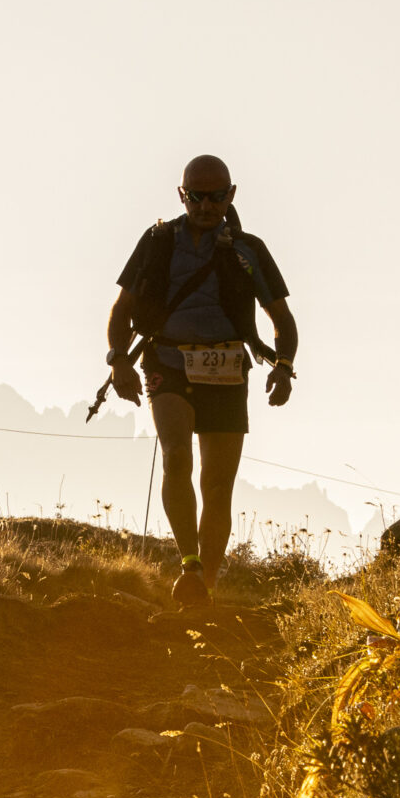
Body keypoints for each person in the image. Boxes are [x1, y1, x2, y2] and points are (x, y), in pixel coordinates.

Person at [104, 154, 299, 608]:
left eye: (215, 197)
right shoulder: (157, 242)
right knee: (175, 458)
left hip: (228, 370)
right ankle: (189, 564)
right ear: (181, 195)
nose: (205, 206)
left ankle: (205, 585)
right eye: (196, 196)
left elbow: (282, 319)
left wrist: (284, 366)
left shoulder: (249, 250)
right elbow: (122, 308)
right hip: (166, 363)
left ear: (230, 196)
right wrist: (118, 362)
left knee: (217, 485)